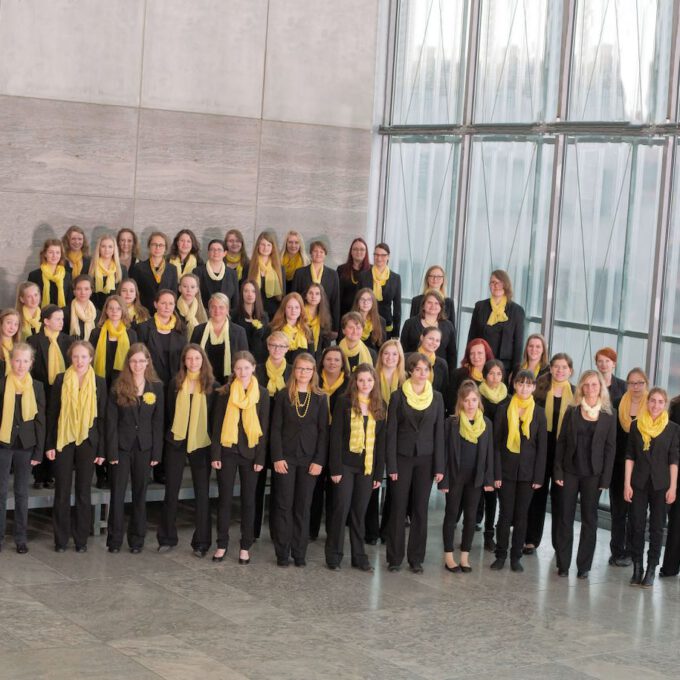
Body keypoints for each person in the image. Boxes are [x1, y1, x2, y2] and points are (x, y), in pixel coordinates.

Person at [385, 352, 445, 573]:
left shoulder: (437, 397)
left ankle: (416, 558)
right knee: (398, 508)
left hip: (426, 460)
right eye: (418, 369)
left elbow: (439, 434)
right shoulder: (397, 396)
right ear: (410, 370)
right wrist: (390, 465)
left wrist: (440, 466)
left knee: (421, 509)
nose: (422, 373)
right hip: (401, 458)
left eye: (426, 369)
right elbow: (390, 434)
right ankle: (394, 557)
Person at [45, 341, 107, 552]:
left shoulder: (99, 382)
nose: (79, 361)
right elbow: (52, 414)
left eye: (84, 357)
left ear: (91, 358)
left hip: (88, 441)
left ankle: (81, 540)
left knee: (83, 491)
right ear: (70, 358)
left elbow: (103, 419)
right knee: (61, 491)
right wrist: (50, 444)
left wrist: (101, 450)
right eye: (75, 357)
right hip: (64, 439)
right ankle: (60, 540)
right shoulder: (61, 379)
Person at [553, 370, 617, 578]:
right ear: (581, 387)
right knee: (565, 518)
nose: (590, 389)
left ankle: (584, 567)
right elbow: (561, 442)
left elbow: (610, 448)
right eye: (587, 385)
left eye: (594, 385)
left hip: (594, 475)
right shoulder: (572, 411)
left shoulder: (608, 415)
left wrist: (606, 478)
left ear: (601, 388)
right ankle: (563, 564)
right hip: (570, 471)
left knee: (590, 520)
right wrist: (558, 470)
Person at [157, 344, 219, 557]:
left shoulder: (212, 385)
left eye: (197, 358)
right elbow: (168, 414)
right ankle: (166, 537)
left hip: (201, 443)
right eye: (189, 359)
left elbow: (213, 420)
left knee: (202, 493)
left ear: (203, 361)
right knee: (171, 490)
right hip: (176, 441)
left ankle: (202, 542)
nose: (193, 362)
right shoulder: (175, 383)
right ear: (184, 361)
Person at [270, 353, 328, 566]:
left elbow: (323, 432)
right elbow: (275, 429)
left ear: (313, 372)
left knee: (303, 507)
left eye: (308, 369)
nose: (303, 373)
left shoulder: (321, 397)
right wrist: (276, 456)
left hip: (310, 459)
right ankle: (282, 553)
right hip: (285, 458)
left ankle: (299, 552)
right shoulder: (284, 395)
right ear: (293, 371)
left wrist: (319, 460)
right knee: (284, 505)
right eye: (300, 368)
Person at [211, 351, 269, 564]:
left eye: (247, 367)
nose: (243, 372)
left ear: (254, 368)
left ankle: (245, 546)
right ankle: (222, 543)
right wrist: (215, 453)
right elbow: (217, 425)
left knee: (248, 500)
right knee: (224, 499)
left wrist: (261, 458)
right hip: (227, 451)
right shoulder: (224, 393)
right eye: (238, 368)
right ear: (233, 371)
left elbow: (264, 429)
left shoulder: (262, 394)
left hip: (251, 453)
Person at [326, 364, 385, 571]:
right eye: (361, 380)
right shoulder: (344, 402)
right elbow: (335, 438)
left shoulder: (379, 405)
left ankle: (359, 557)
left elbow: (381, 443)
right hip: (345, 465)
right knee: (340, 510)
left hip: (366, 468)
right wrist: (335, 469)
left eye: (369, 380)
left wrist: (378, 473)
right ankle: (334, 555)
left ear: (374, 383)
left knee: (359, 513)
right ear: (355, 382)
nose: (365, 384)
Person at [106, 344, 164, 553]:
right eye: (133, 361)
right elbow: (111, 422)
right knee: (118, 493)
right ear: (128, 363)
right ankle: (114, 541)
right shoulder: (118, 385)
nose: (137, 365)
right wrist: (111, 451)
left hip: (144, 447)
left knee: (140, 494)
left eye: (141, 361)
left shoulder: (156, 386)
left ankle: (137, 540)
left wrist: (157, 452)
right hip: (121, 446)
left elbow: (158, 422)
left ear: (147, 362)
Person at [490, 370, 547, 572]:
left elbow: (542, 448)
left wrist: (539, 476)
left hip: (528, 474)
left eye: (528, 384)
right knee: (505, 515)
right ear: (514, 385)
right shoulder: (503, 409)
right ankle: (500, 555)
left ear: (533, 387)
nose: (524, 388)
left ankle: (516, 557)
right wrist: (495, 474)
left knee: (522, 516)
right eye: (520, 384)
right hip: (505, 472)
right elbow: (495, 445)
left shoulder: (539, 413)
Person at [625, 388, 679, 587]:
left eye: (660, 402)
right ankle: (637, 567)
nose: (656, 405)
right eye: (653, 401)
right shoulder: (636, 425)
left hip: (661, 486)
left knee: (657, 529)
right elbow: (629, 456)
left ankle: (651, 569)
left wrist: (673, 487)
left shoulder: (672, 429)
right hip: (638, 483)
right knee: (636, 526)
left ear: (664, 404)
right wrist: (626, 483)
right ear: (647, 402)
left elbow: (674, 460)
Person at [439, 381, 494, 573]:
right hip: (455, 477)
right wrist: (444, 480)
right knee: (451, 514)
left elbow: (489, 454)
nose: (470, 404)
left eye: (474, 400)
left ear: (478, 401)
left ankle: (464, 556)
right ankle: (448, 556)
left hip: (475, 479)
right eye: (466, 400)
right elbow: (444, 454)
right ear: (460, 402)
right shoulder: (451, 423)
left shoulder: (486, 424)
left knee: (471, 517)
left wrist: (488, 479)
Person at [524, 353, 574, 554]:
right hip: (541, 448)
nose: (560, 370)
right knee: (537, 494)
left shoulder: (577, 395)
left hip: (565, 451)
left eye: (564, 367)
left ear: (570, 370)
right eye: (556, 367)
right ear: (551, 369)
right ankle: (531, 539)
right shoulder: (540, 391)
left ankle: (559, 544)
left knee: (561, 499)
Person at [0, 343, 45, 554]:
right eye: (17, 360)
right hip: (3, 444)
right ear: (11, 361)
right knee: (0, 492)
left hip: (26, 446)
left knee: (21, 493)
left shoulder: (37, 386)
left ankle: (20, 537)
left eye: (25, 361)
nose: (20, 365)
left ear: (31, 363)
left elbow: (40, 421)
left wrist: (38, 451)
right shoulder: (1, 384)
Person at [365, 339, 406, 544]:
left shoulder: (405, 382)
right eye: (386, 353)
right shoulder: (371, 377)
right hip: (374, 434)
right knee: (373, 480)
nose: (390, 358)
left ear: (400, 358)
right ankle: (371, 531)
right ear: (380, 356)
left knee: (394, 483)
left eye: (394, 354)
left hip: (398, 438)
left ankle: (387, 529)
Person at [27, 305, 71, 489]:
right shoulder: (34, 340)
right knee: (40, 428)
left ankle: (51, 473)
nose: (61, 322)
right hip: (40, 391)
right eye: (57, 319)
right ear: (46, 321)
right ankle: (39, 474)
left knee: (55, 427)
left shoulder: (67, 340)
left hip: (61, 390)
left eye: (62, 319)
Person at [253, 331, 291, 540]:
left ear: (287, 349)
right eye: (273, 345)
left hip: (283, 435)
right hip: (259, 432)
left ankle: (278, 531)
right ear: (268, 347)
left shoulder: (294, 372)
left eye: (281, 346)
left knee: (280, 486)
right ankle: (254, 530)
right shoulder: (257, 371)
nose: (277, 350)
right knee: (256, 484)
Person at [310, 346, 349, 541]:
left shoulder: (350, 384)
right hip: (316, 438)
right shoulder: (314, 381)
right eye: (329, 359)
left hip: (339, 442)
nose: (332, 363)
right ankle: (311, 530)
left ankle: (333, 531)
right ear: (322, 361)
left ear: (343, 363)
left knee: (336, 489)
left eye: (336, 360)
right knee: (314, 487)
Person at [610, 368, 648, 567]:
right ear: (626, 384)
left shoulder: (651, 408)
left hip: (641, 468)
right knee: (618, 512)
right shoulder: (617, 405)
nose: (636, 387)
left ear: (646, 384)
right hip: (618, 467)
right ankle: (617, 551)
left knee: (636, 513)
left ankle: (633, 551)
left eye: (640, 383)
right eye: (632, 383)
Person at [478, 359, 510, 551]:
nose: (495, 378)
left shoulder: (508, 399)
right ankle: (471, 524)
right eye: (491, 373)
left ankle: (490, 534)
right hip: (479, 450)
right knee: (478, 495)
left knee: (493, 496)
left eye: (499, 374)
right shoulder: (477, 395)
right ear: (485, 375)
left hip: (499, 453)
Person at [468, 269, 525, 373]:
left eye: (500, 282)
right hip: (480, 364)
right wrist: (468, 362)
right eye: (493, 282)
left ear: (506, 285)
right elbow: (472, 337)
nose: (496, 285)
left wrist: (515, 371)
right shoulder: (480, 307)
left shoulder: (517, 311)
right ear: (489, 285)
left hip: (505, 368)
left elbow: (518, 345)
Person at [191, 293, 247, 384]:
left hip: (230, 382)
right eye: (213, 307)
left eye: (221, 307)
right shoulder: (198, 330)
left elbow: (244, 360)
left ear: (227, 310)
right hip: (202, 381)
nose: (217, 310)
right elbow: (190, 356)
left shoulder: (239, 332)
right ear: (209, 309)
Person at [136, 289, 186, 387]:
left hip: (176, 382)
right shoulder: (143, 328)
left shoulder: (181, 328)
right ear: (155, 304)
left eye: (171, 303)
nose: (167, 307)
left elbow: (184, 357)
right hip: (151, 381)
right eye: (163, 303)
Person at [401, 289, 457, 371]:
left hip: (439, 371)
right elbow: (403, 349)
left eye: (437, 303)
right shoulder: (410, 323)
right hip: (413, 369)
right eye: (429, 303)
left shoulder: (448, 326)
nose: (433, 306)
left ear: (441, 307)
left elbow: (452, 355)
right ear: (423, 305)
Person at [292, 240, 341, 332]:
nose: (318, 254)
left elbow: (335, 302)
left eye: (321, 252)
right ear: (310, 253)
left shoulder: (333, 274)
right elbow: (294, 297)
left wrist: (335, 329)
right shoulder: (300, 273)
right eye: (315, 251)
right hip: (303, 319)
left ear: (325, 254)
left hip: (324, 320)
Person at [358, 243, 401, 338]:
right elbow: (357, 301)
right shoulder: (363, 276)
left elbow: (397, 308)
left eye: (383, 255)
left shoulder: (395, 278)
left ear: (388, 256)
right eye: (376, 255)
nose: (379, 258)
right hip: (364, 324)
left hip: (386, 324)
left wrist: (396, 333)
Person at [130, 232, 178, 314]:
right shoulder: (138, 267)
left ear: (165, 248)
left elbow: (174, 294)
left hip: (165, 313)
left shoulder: (172, 269)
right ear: (149, 246)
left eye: (161, 245)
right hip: (143, 312)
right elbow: (134, 293)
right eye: (154, 244)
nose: (157, 248)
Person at [661, 394, 680, 578]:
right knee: (676, 521)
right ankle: (670, 567)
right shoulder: (674, 405)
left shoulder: (675, 404)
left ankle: (670, 568)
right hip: (676, 468)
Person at [247, 231, 284, 318]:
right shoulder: (248, 266)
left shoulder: (280, 268)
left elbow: (282, 295)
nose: (265, 248)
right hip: (253, 311)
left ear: (273, 247)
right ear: (258, 246)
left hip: (273, 313)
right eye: (263, 244)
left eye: (269, 245)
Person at [194, 239, 239, 311]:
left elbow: (235, 301)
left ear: (225, 253)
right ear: (208, 253)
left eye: (219, 250)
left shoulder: (232, 274)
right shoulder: (198, 272)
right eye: (212, 249)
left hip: (227, 316)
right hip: (203, 315)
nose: (216, 252)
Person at [28, 239, 73, 309]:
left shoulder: (67, 276)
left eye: (58, 252)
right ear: (45, 254)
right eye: (51, 252)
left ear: (61, 255)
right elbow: (30, 300)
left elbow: (69, 301)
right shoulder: (34, 275)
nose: (54, 256)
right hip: (40, 316)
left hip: (62, 317)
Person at [232, 280, 269, 364]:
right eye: (246, 291)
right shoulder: (234, 315)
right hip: (240, 360)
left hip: (259, 361)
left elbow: (266, 342)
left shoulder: (264, 317)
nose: (250, 294)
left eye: (253, 291)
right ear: (241, 293)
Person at [88, 234, 127, 309]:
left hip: (115, 310)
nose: (107, 250)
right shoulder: (89, 266)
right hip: (92, 309)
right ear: (99, 248)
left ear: (114, 249)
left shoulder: (122, 269)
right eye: (103, 246)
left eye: (110, 247)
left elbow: (123, 294)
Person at [408, 327, 449, 397]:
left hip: (433, 405)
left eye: (437, 340)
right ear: (422, 337)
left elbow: (444, 392)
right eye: (431, 339)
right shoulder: (407, 358)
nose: (434, 343)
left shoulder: (442, 364)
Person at [337, 237, 370, 317]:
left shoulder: (371, 271)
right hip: (344, 314)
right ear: (351, 252)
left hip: (365, 315)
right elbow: (337, 295)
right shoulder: (341, 269)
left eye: (362, 249)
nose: (358, 252)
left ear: (366, 252)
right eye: (355, 249)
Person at [63, 275, 98, 342]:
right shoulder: (64, 312)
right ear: (74, 291)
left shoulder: (97, 313)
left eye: (86, 289)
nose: (83, 292)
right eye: (79, 289)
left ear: (91, 291)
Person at [304, 283, 333, 359]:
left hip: (317, 355)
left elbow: (326, 339)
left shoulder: (324, 315)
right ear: (305, 296)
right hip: (301, 353)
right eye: (310, 293)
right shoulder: (299, 312)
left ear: (321, 297)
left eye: (317, 294)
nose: (314, 296)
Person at [351, 288, 385, 352]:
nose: (365, 302)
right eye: (362, 299)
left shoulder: (381, 321)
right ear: (357, 302)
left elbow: (382, 347)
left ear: (373, 302)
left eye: (369, 300)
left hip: (373, 359)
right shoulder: (349, 319)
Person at [175, 273, 208, 339]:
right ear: (179, 288)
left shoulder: (205, 312)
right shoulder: (173, 310)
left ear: (197, 290)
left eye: (192, 287)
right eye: (185, 286)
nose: (189, 290)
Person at [0, 309, 21, 376]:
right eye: (9, 323)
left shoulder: (19, 347)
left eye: (16, 324)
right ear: (1, 323)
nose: (12, 327)